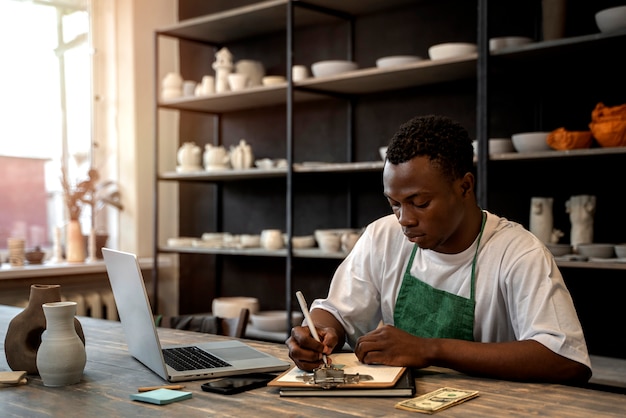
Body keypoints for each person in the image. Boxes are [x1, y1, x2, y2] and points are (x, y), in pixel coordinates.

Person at [286, 114, 592, 384]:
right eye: (394, 204)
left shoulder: (517, 253)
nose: (404, 219)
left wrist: (430, 349)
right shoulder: (383, 235)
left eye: (420, 203)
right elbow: (337, 311)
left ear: (464, 187)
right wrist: (320, 334)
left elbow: (565, 360)